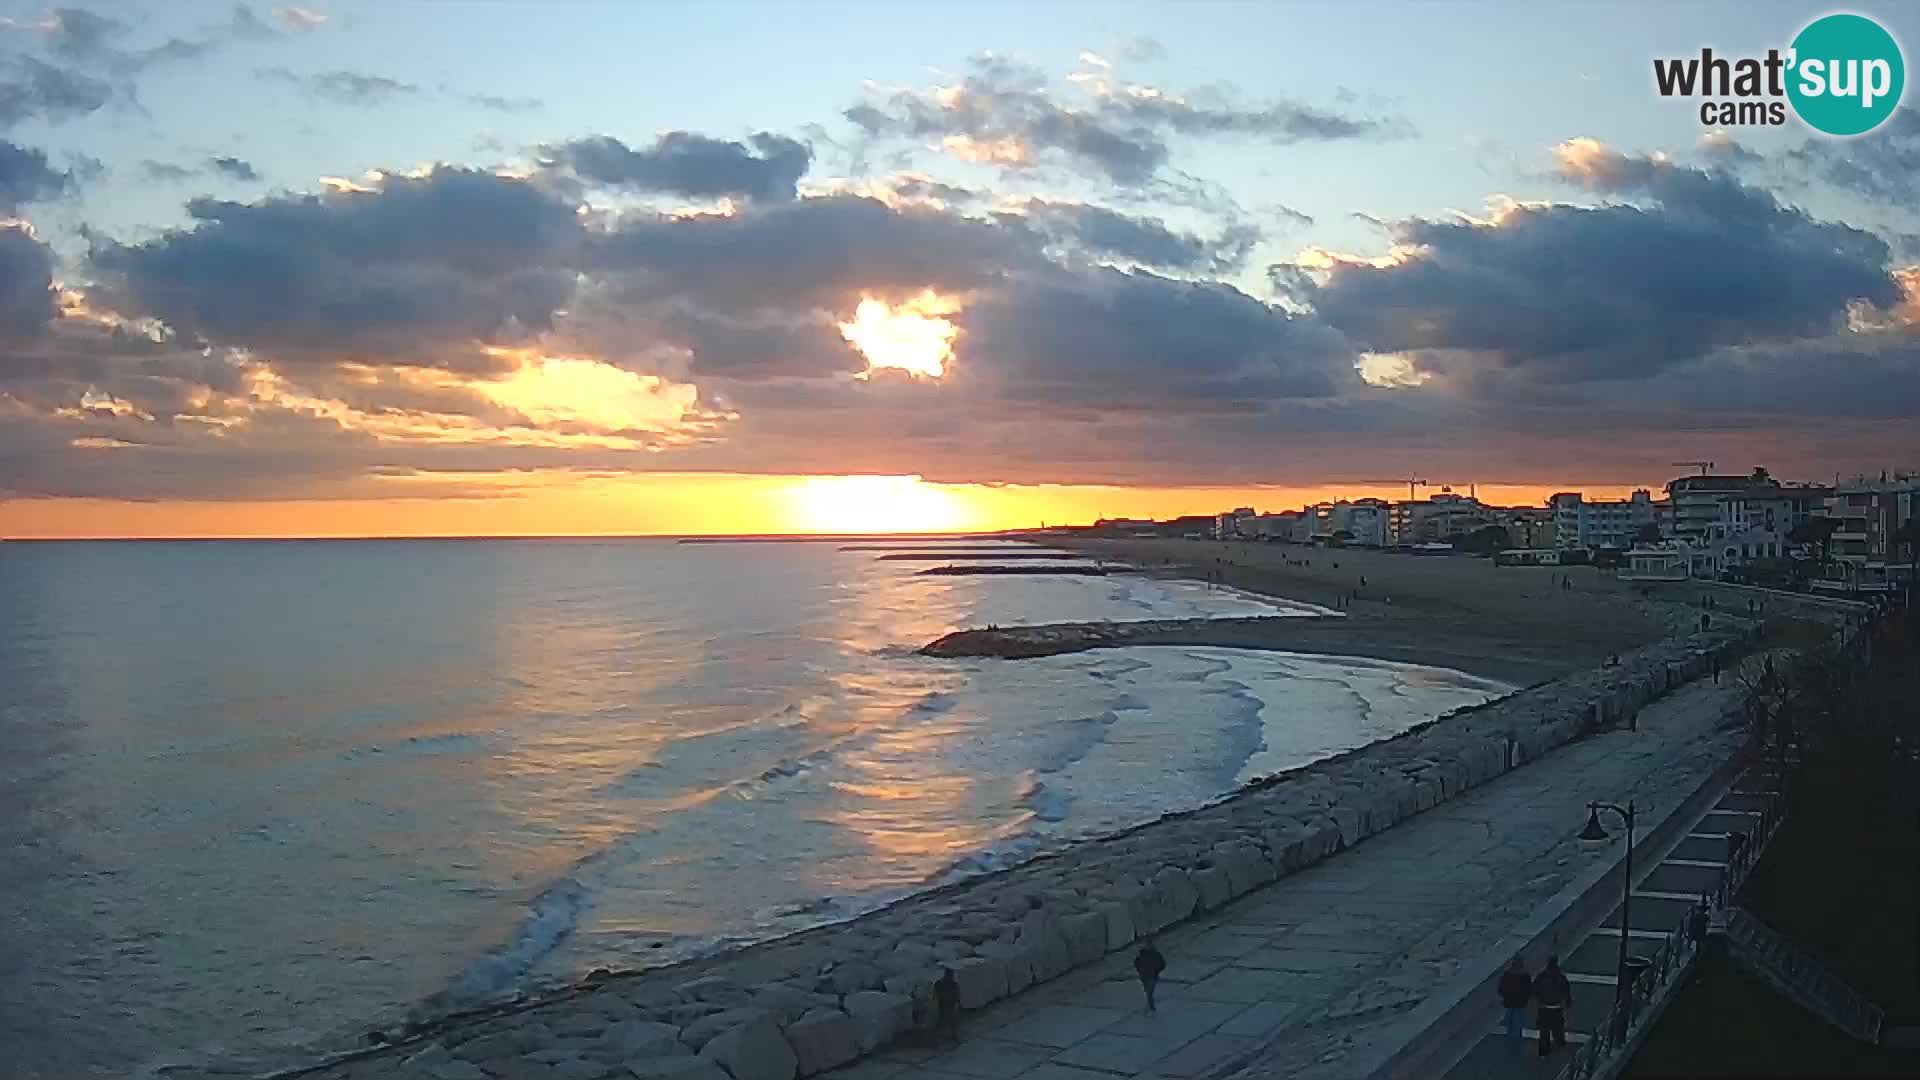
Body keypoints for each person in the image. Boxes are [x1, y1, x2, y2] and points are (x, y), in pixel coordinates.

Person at [1534, 955, 1571, 1057]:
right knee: (1558, 1028)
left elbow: (1535, 990)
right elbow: (1566, 991)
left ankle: (1543, 1052)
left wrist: (1539, 1000)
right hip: (1557, 1007)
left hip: (1544, 1007)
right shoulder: (1560, 977)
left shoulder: (1541, 976)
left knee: (1544, 1031)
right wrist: (1568, 1003)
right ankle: (1560, 1044)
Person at [1498, 957, 1532, 1053]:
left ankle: (1509, 1040)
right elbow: (1529, 990)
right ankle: (1517, 1041)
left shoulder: (1507, 975)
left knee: (1510, 1022)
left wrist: (1505, 996)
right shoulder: (1525, 976)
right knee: (1519, 1022)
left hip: (1509, 1002)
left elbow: (1501, 989)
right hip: (1521, 1003)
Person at [1134, 939, 1167, 1014]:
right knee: (1147, 991)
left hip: (1151, 976)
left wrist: (1156, 971)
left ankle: (1150, 1006)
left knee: (1149, 992)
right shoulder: (1142, 953)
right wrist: (1140, 970)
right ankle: (1150, 1005)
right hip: (1145, 975)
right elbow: (1136, 962)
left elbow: (1163, 964)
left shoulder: (1156, 954)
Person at [933, 967, 961, 1044]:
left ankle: (951, 1036)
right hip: (945, 1005)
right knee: (945, 1020)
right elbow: (957, 995)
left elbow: (957, 995)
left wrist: (957, 1003)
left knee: (948, 1021)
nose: (951, 976)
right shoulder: (950, 984)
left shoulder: (947, 984)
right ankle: (938, 1036)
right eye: (951, 974)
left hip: (947, 1005)